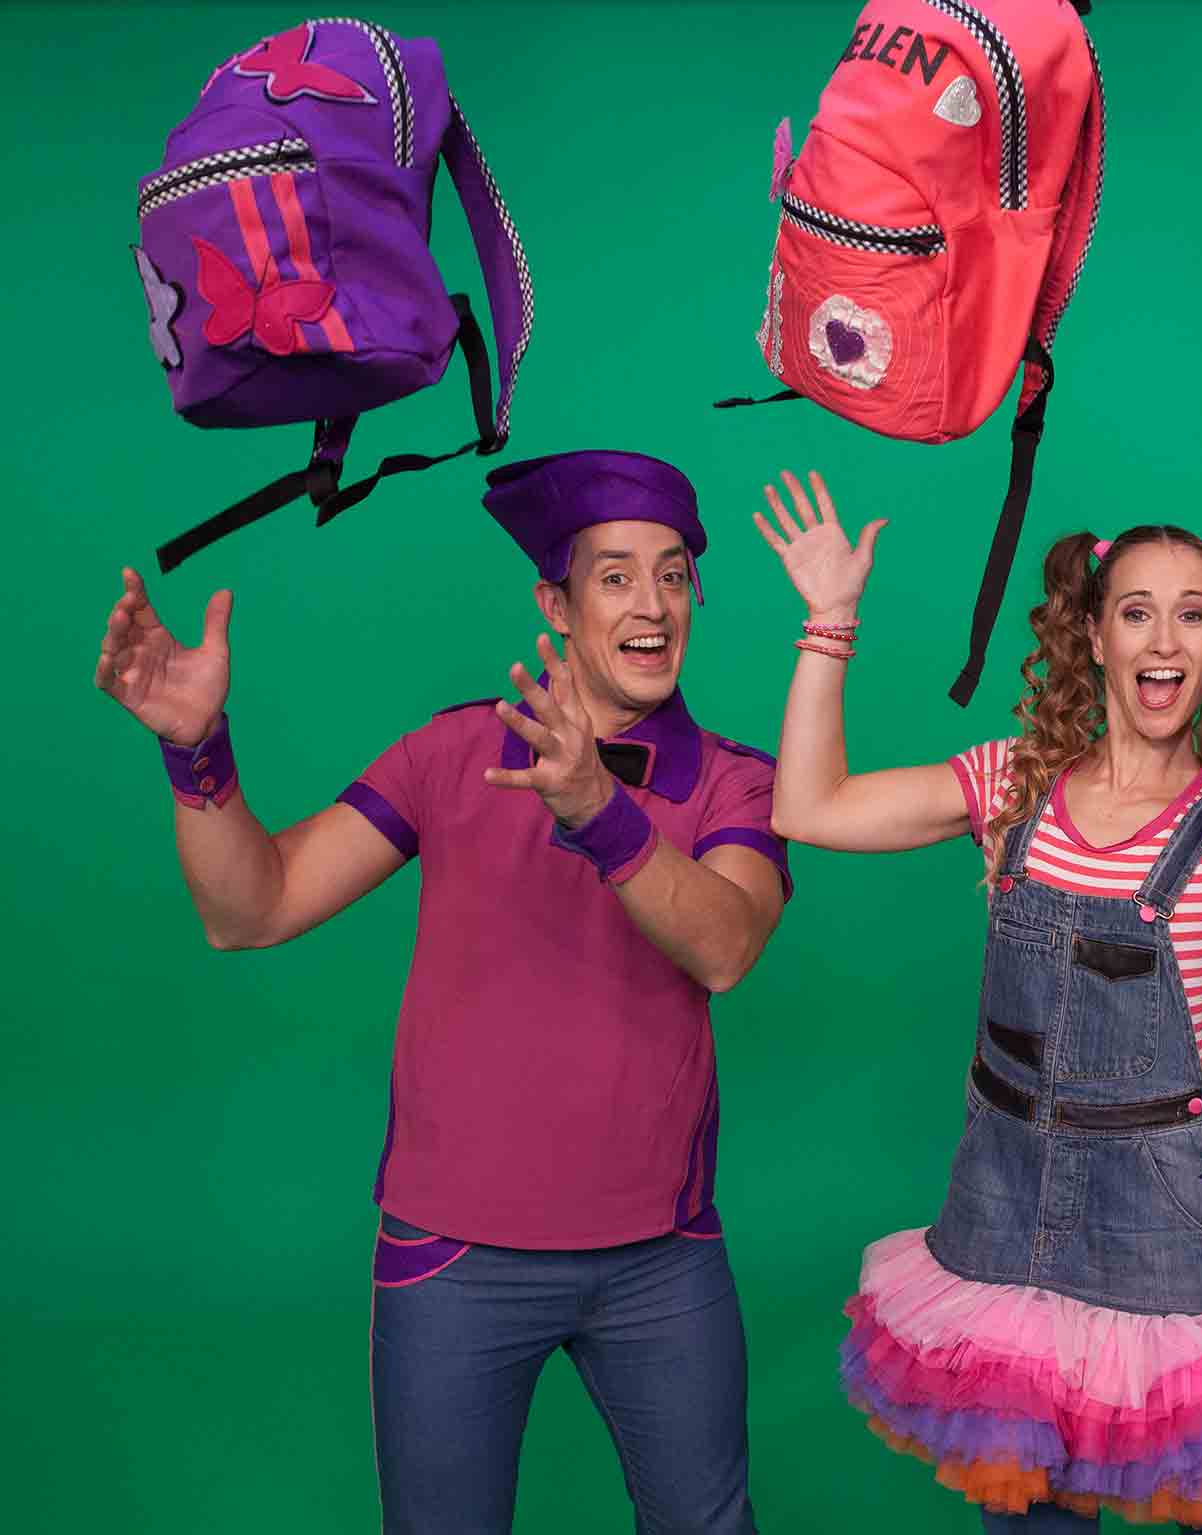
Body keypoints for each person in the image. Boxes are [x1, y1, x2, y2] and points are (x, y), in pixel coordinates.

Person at [93, 450, 792, 1535]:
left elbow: (726, 944)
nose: (652, 606)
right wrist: (196, 753)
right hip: (454, 1258)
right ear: (554, 605)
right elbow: (253, 907)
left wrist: (598, 808)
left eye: (672, 574)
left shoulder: (736, 776)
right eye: (615, 576)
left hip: (662, 1255)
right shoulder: (452, 750)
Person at [753, 470, 1202, 1530]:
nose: (1164, 638)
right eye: (1137, 611)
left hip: (1168, 1221)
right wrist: (828, 622)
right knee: (1032, 1512)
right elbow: (809, 806)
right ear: (1095, 634)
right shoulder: (1011, 781)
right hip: (1006, 1210)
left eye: (1192, 615)